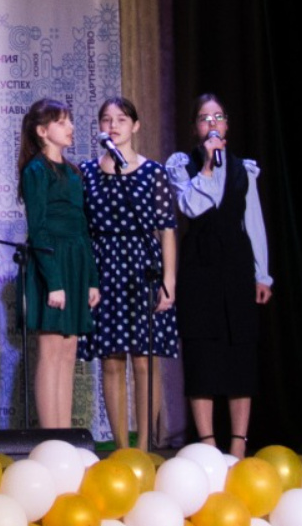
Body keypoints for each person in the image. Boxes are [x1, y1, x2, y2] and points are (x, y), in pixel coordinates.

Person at [165, 94, 272, 457]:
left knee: (240, 351)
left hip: (237, 265)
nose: (212, 123)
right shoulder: (183, 166)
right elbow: (191, 207)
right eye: (204, 118)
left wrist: (262, 274)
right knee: (202, 353)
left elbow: (253, 222)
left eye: (218, 117)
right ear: (195, 127)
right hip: (199, 265)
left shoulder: (245, 169)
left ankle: (239, 444)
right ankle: (208, 444)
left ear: (227, 125)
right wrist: (208, 168)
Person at [79, 97, 180, 449]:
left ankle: (144, 447)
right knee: (111, 360)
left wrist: (169, 280)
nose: (113, 125)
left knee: (144, 361)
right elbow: (82, 228)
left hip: (143, 268)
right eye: (107, 119)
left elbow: (167, 229)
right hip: (104, 267)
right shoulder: (87, 172)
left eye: (121, 119)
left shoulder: (153, 172)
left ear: (135, 126)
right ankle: (122, 449)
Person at [18, 98, 101, 429]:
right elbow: (38, 229)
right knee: (51, 352)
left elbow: (82, 227)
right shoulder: (36, 170)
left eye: (70, 121)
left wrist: (91, 279)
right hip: (51, 264)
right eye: (62, 122)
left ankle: (64, 433)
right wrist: (53, 282)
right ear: (42, 131)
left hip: (76, 263)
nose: (71, 127)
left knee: (69, 353)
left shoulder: (73, 172)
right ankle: (50, 435)